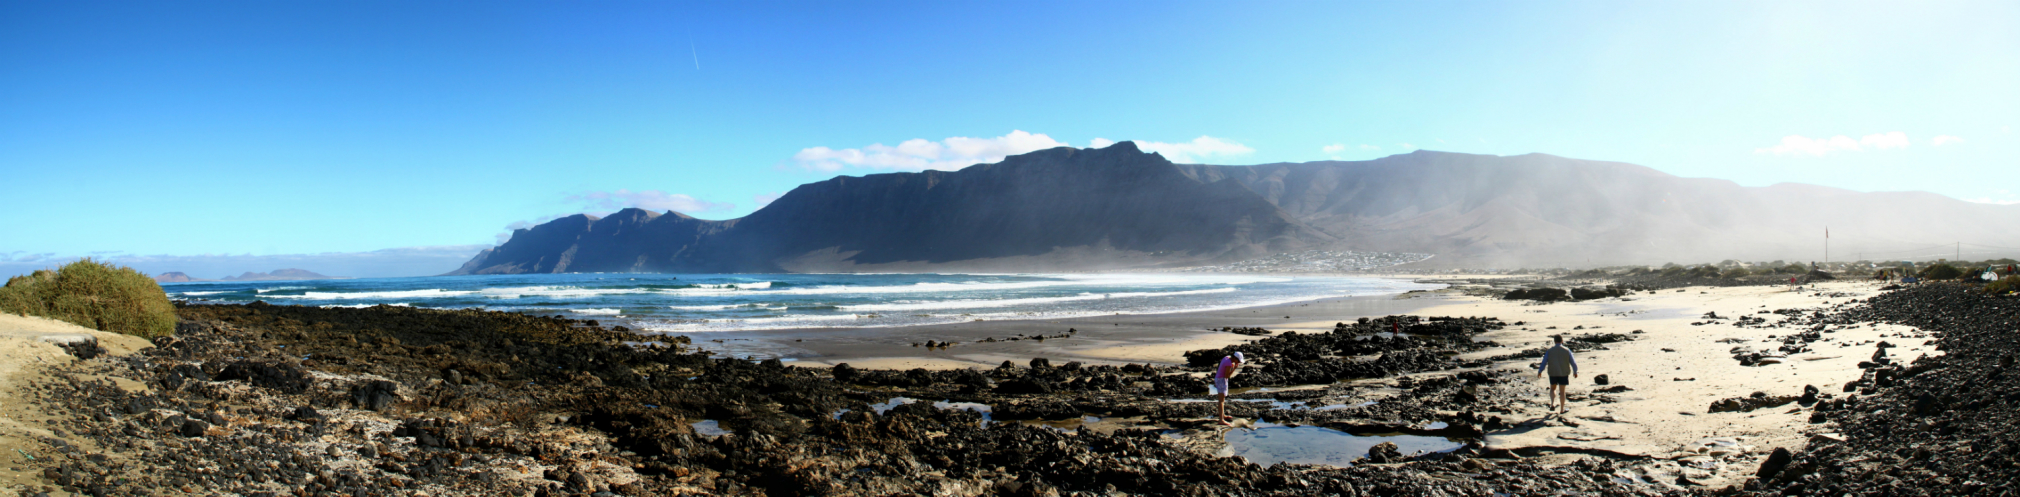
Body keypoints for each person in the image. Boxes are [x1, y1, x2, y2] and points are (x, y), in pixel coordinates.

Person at [1536, 335, 1579, 414]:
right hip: (1563, 373)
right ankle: (1562, 409)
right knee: (1562, 392)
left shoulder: (1550, 351)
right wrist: (1575, 371)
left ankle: (1552, 404)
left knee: (1553, 389)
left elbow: (1544, 362)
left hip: (1553, 372)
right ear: (1562, 341)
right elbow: (1573, 362)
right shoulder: (1567, 350)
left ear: (1554, 341)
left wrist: (1540, 371)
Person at [1215, 351, 1245, 426]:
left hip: (1218, 378)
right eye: (1238, 361)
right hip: (1221, 380)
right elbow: (1226, 376)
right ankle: (1221, 420)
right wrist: (1234, 368)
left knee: (1222, 399)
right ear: (1235, 358)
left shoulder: (1227, 357)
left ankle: (1223, 415)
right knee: (1221, 401)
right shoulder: (1229, 363)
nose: (1238, 362)